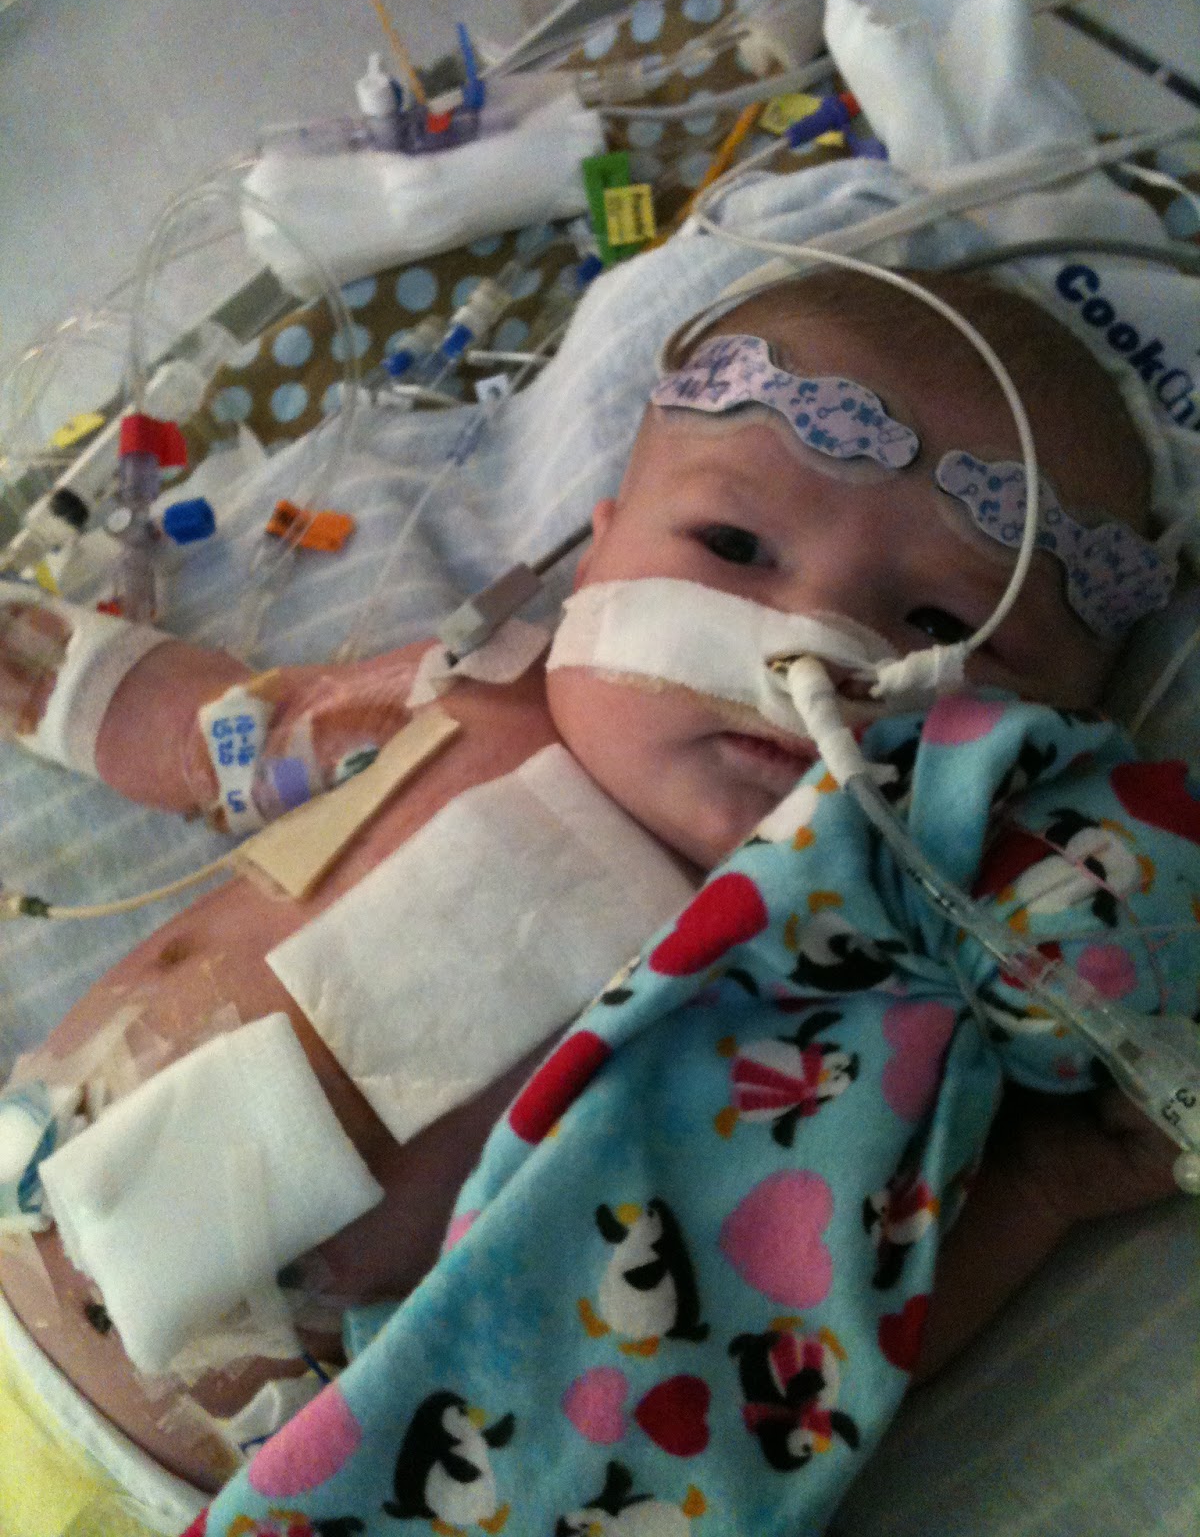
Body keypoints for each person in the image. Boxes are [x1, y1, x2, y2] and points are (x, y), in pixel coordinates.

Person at [0, 268, 1190, 1533]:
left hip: (207, 1487)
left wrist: (1034, 1192)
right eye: (732, 547)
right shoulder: (475, 694)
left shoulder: (841, 994)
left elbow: (811, 1322)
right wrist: (75, 683)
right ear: (599, 553)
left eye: (943, 620)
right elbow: (240, 736)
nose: (816, 642)